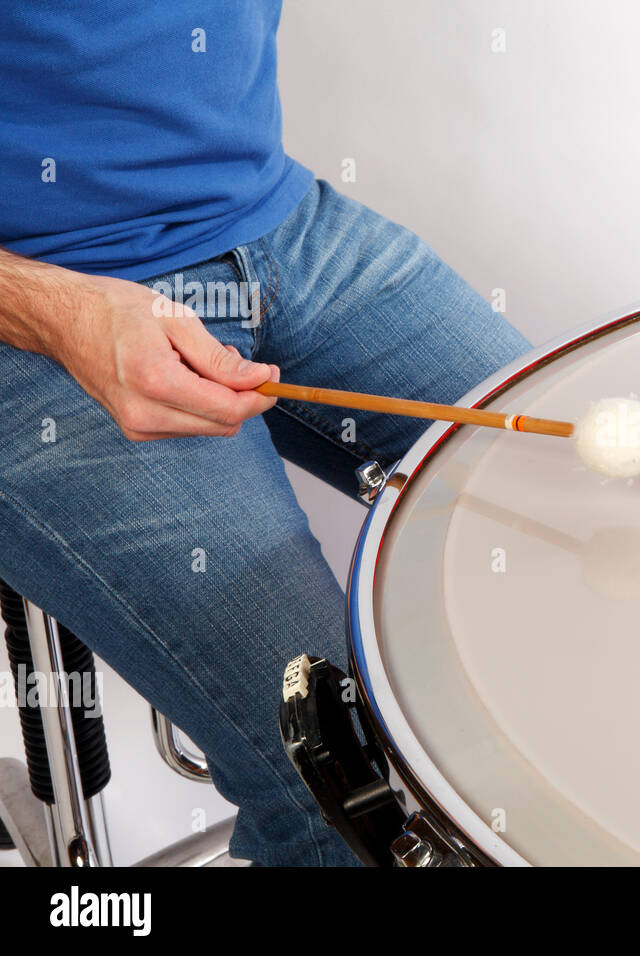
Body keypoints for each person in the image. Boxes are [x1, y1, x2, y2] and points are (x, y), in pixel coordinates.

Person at [0, 3, 530, 865]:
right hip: (35, 310)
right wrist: (55, 311)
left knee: (597, 535)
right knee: (354, 788)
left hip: (284, 224)